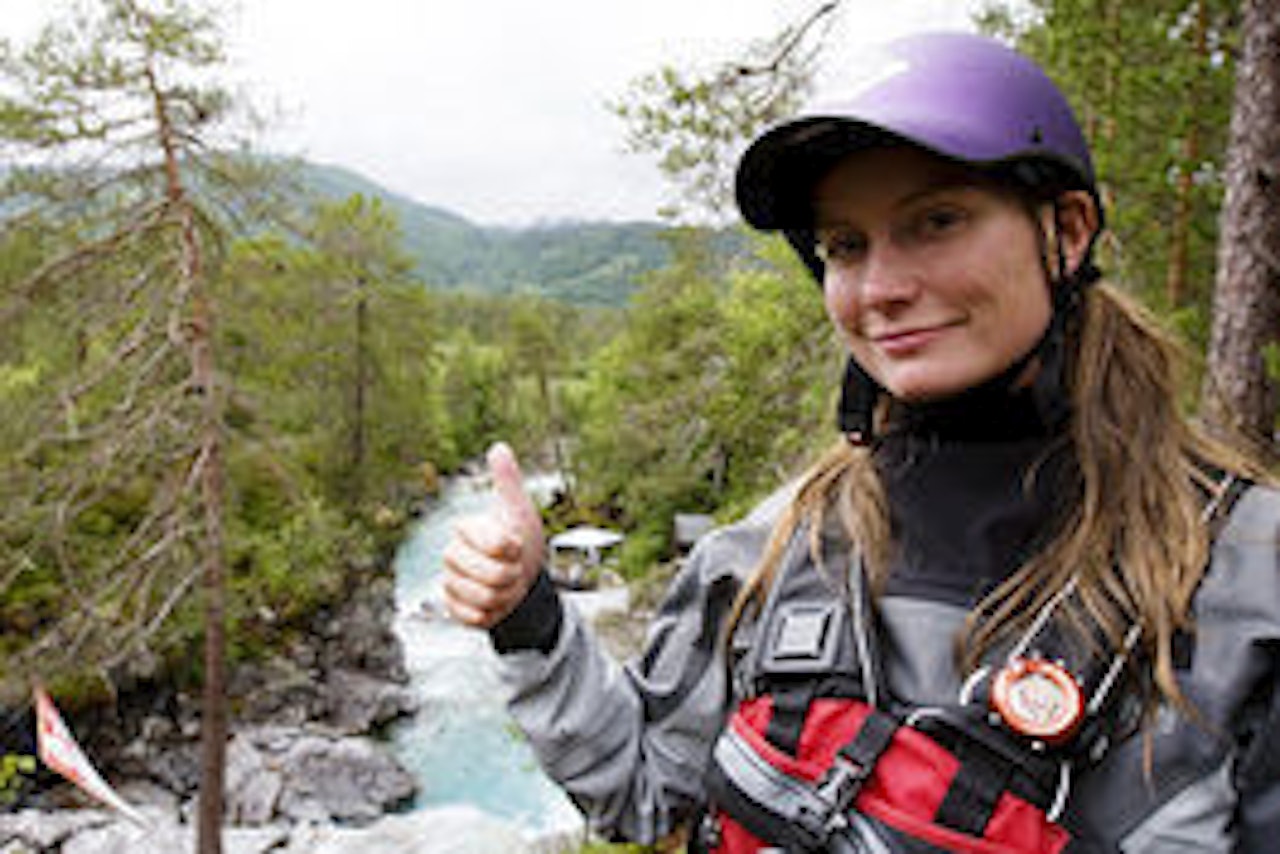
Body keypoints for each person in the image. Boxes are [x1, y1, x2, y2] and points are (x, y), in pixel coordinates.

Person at [441, 31, 1280, 853]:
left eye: (937, 220)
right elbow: (647, 790)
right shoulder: (776, 549)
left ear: (1066, 230)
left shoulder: (1247, 580)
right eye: (846, 245)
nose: (879, 288)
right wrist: (529, 614)